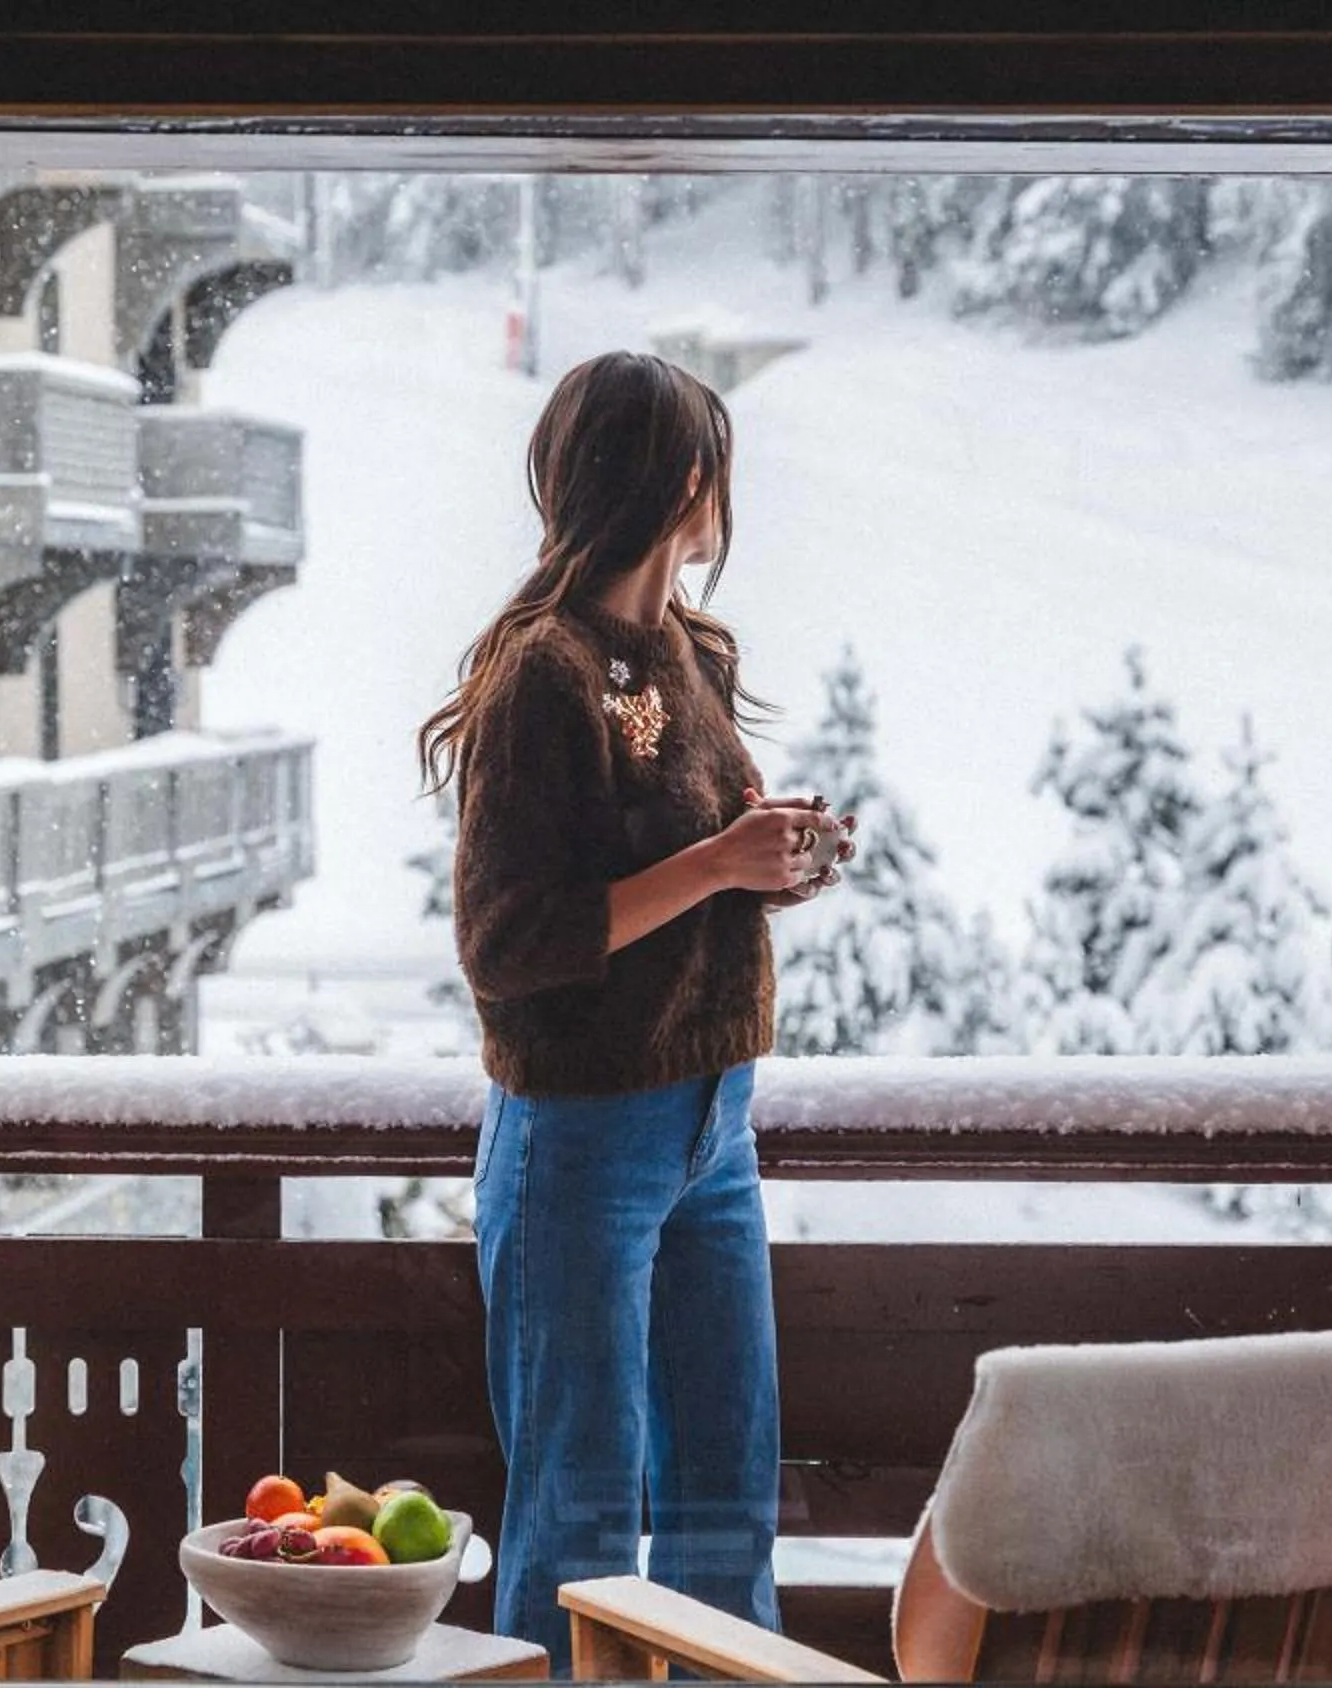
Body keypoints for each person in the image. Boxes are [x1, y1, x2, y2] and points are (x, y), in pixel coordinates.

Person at [417, 351, 854, 1667]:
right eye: (712, 463)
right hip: (583, 1143)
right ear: (679, 483)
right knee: (578, 1523)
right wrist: (722, 864)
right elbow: (510, 941)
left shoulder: (689, 652)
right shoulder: (539, 676)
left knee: (728, 1500)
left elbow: (683, 877)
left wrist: (771, 860)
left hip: (714, 1135)